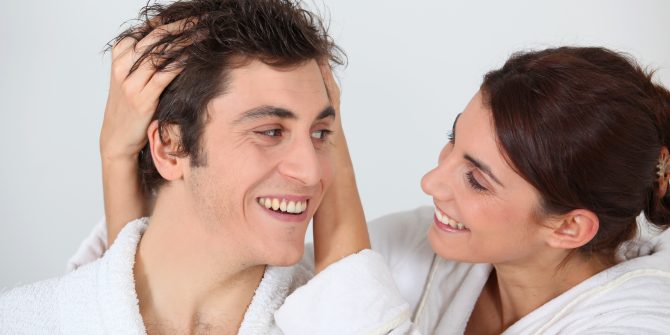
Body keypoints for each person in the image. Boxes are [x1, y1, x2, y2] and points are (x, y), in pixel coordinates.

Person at [84, 44, 670, 334]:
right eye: (452, 143)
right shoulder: (425, 245)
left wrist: (325, 124)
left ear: (569, 227)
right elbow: (190, 304)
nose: (431, 181)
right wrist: (117, 158)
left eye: (476, 179)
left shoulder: (642, 318)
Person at [0, 1, 410, 334]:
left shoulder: (345, 319)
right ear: (170, 146)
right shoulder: (24, 321)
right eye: (270, 131)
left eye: (322, 134)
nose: (312, 172)